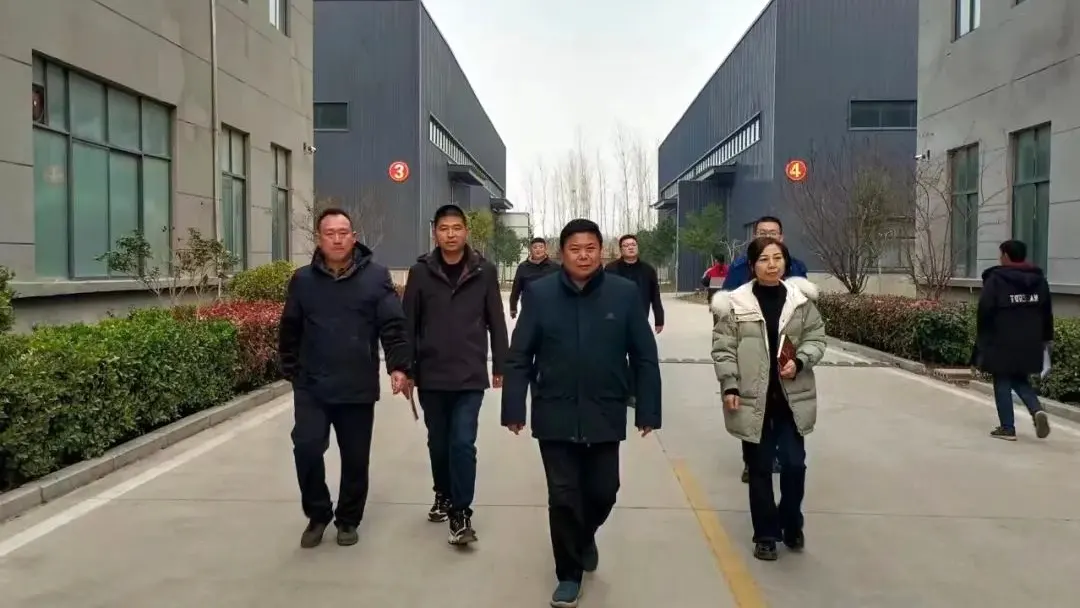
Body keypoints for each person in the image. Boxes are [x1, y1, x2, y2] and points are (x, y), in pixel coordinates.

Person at [502, 219, 662, 608]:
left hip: (604, 409)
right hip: (554, 409)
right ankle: (568, 575)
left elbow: (644, 355)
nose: (584, 256)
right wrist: (513, 406)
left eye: (591, 248)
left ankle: (584, 534)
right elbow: (520, 355)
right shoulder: (540, 294)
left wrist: (648, 409)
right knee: (562, 496)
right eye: (575, 249)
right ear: (562, 253)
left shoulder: (624, 294)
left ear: (601, 252)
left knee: (605, 490)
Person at [278, 207, 411, 549]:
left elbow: (393, 326)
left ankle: (348, 519)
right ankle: (318, 513)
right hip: (312, 385)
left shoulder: (376, 277)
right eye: (330, 233)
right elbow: (290, 328)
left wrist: (398, 367)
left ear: (354, 237)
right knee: (307, 447)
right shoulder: (303, 280)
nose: (337, 239)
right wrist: (291, 369)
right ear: (318, 239)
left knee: (355, 458)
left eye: (343, 233)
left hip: (357, 384)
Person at [710, 236, 826, 562]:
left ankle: (791, 521)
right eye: (764, 259)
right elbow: (723, 349)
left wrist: (800, 360)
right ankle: (765, 534)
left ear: (786, 263)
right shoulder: (736, 304)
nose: (771, 265)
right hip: (752, 399)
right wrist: (730, 386)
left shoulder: (801, 302)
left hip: (791, 399)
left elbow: (816, 338)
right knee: (760, 469)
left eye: (777, 258)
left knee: (794, 465)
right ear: (752, 266)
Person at [402, 204, 510, 545]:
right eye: (444, 228)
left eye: (456, 228)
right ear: (435, 232)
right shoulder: (420, 272)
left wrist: (501, 364)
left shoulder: (483, 271)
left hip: (469, 374)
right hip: (431, 374)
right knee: (439, 443)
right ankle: (443, 493)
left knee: (463, 442)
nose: (450, 234)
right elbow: (408, 324)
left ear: (466, 231)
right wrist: (406, 368)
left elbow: (496, 320)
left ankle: (461, 513)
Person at [722, 216, 808, 483]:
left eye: (773, 233)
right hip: (750, 345)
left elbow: (806, 313)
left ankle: (781, 456)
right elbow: (725, 307)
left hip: (785, 349)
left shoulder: (796, 266)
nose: (768, 236)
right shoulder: (740, 266)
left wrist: (800, 354)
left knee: (785, 407)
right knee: (751, 408)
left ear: (782, 237)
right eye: (762, 232)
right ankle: (753, 461)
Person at [973, 240, 1053, 441]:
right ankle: (1036, 409)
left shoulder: (996, 279)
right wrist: (1046, 339)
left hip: (1002, 338)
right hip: (1031, 339)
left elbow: (985, 310)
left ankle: (1007, 427)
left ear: (1006, 256)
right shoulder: (1039, 280)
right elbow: (1047, 312)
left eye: (1001, 254)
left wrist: (983, 338)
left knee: (1002, 379)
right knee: (1019, 378)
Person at [605, 234, 665, 334]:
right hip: (616, 321)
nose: (630, 247)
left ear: (637, 247)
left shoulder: (648, 270)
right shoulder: (610, 269)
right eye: (626, 245)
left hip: (640, 319)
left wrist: (659, 319)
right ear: (621, 250)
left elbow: (655, 296)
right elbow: (604, 295)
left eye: (633, 244)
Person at [509, 237, 560, 320]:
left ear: (545, 249)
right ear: (530, 249)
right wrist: (513, 308)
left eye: (541, 247)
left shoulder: (555, 267)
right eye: (535, 247)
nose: (538, 250)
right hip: (529, 311)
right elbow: (516, 288)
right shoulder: (523, 267)